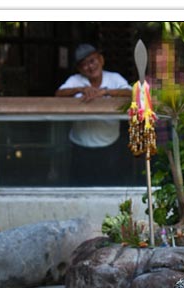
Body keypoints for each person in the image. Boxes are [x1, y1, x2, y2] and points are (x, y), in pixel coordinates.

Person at [55, 44, 133, 185]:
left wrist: (106, 92)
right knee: (79, 189)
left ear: (101, 60)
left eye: (92, 61)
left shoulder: (114, 78)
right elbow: (59, 94)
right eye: (84, 65)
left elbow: (132, 93)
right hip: (80, 148)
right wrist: (82, 89)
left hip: (110, 147)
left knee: (110, 189)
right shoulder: (75, 80)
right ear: (79, 69)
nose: (90, 67)